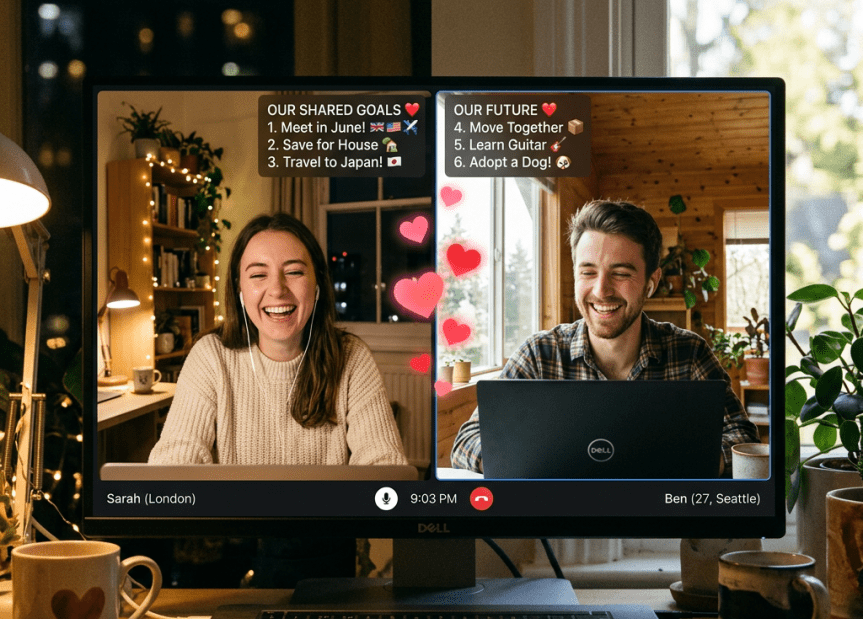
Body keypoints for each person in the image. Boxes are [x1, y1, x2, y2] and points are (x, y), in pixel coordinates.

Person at [450, 199, 759, 477]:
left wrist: (685, 461)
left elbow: (743, 437)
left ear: (651, 283)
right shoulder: (538, 354)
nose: (601, 290)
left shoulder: (689, 352)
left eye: (621, 273)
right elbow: (466, 443)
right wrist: (534, 460)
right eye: (587, 272)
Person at [149, 213, 408, 466]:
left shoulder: (351, 357)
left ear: (317, 284)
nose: (277, 290)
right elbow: (177, 456)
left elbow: (383, 462)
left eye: (294, 272)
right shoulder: (210, 356)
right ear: (240, 289)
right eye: (258, 275)